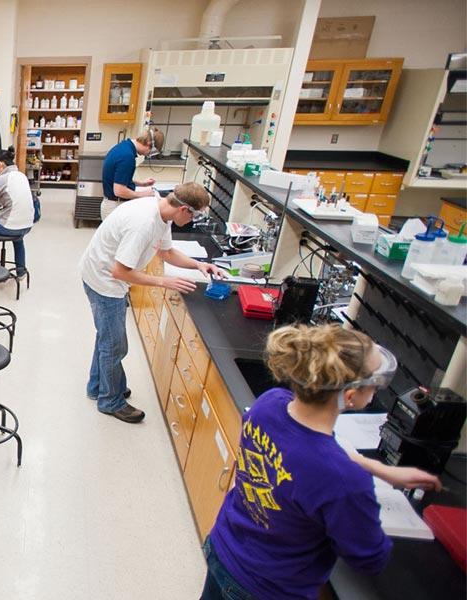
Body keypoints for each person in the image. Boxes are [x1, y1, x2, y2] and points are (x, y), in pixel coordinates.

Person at [203, 324, 442, 600]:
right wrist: (363, 506)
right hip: (265, 589)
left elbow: (303, 453)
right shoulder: (342, 479)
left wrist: (379, 469)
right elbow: (368, 558)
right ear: (350, 396)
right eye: (375, 383)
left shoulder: (270, 404)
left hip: (223, 548)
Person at [78, 182, 225, 423]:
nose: (193, 222)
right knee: (115, 345)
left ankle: (98, 386)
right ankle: (110, 401)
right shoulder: (144, 224)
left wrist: (198, 265)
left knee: (107, 338)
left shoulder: (162, 213)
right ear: (184, 209)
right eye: (195, 216)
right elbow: (120, 272)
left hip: (105, 276)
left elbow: (166, 252)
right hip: (104, 282)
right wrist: (164, 282)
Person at [100, 128, 165, 220]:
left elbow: (119, 179)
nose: (147, 155)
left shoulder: (124, 146)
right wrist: (143, 194)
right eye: (151, 152)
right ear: (149, 144)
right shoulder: (127, 157)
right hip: (114, 207)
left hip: (111, 204)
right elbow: (119, 191)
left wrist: (142, 184)